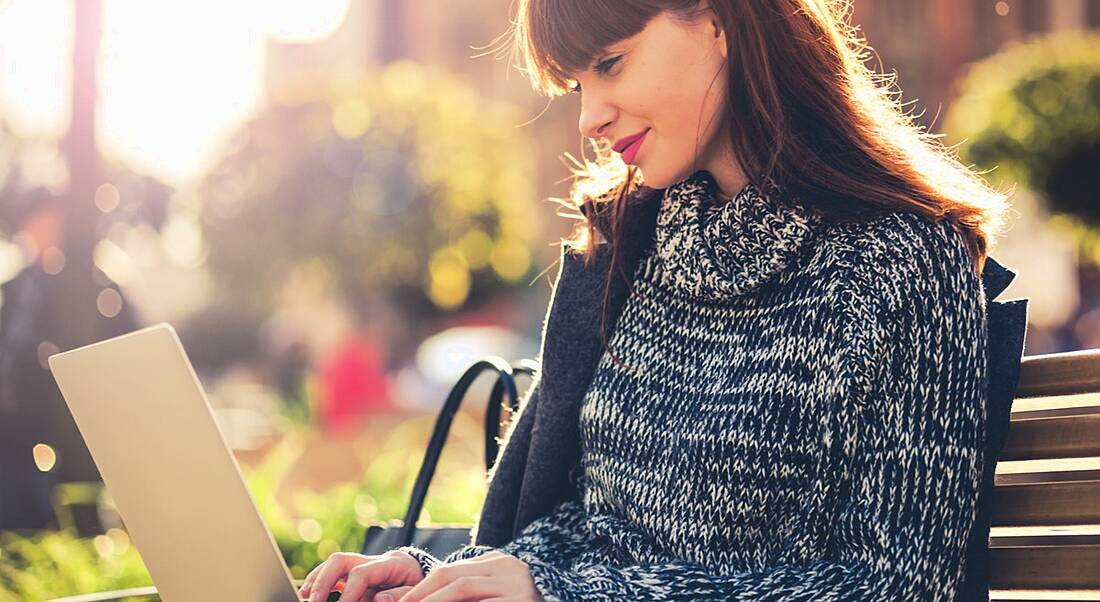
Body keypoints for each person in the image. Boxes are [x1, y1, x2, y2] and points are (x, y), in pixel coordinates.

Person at [299, 1, 1016, 600]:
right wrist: (449, 580)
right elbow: (595, 529)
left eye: (609, 63)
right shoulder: (638, 248)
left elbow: (895, 586)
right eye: (575, 85)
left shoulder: (900, 260)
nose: (588, 119)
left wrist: (570, 596)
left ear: (718, 21)